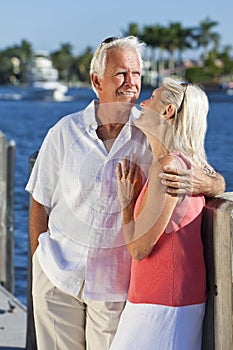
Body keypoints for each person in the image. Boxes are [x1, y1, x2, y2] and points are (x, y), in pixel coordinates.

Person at [26, 37, 225, 350]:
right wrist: (40, 259)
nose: (132, 83)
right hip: (57, 277)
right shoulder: (64, 131)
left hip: (116, 291)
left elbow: (209, 175)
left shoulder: (152, 132)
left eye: (137, 74)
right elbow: (39, 201)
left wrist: (207, 184)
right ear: (96, 81)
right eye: (121, 74)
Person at [110, 78, 219, 350]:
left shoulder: (169, 168)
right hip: (167, 301)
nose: (143, 103)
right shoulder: (184, 164)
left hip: (161, 305)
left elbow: (138, 249)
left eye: (153, 97)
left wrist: (127, 202)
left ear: (167, 111)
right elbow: (214, 181)